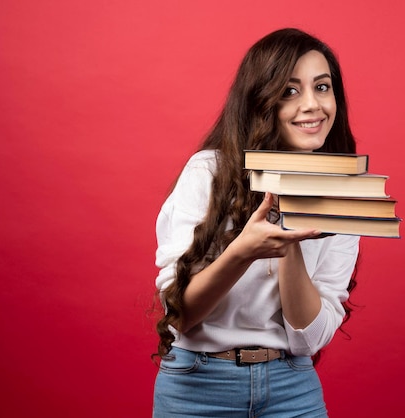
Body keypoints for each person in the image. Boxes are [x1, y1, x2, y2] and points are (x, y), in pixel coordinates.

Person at [152, 28, 360, 417]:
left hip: (290, 386)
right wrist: (242, 252)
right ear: (261, 101)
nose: (313, 105)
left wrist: (290, 240)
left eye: (322, 86)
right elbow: (178, 316)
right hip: (197, 385)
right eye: (290, 91)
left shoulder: (343, 198)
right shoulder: (208, 172)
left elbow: (310, 338)